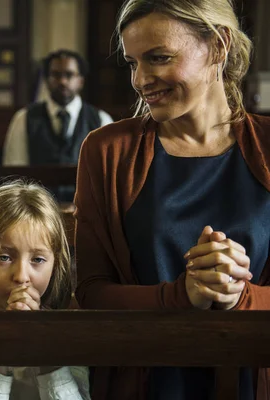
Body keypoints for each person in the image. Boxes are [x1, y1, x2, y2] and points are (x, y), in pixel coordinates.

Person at [74, 0, 270, 398]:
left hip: (255, 378)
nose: (141, 79)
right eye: (132, 63)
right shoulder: (107, 150)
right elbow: (92, 291)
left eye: (158, 58)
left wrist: (239, 296)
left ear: (218, 45)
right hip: (146, 380)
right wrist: (181, 296)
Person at [0, 180, 89, 400]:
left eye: (38, 259)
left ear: (55, 264)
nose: (22, 276)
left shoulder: (71, 336)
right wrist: (1, 351)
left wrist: (44, 351)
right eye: (4, 257)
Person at [2, 49, 113, 202]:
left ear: (80, 80)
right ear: (47, 79)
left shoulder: (101, 120)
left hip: (87, 211)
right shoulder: (24, 118)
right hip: (37, 210)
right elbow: (14, 175)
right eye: (56, 75)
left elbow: (107, 178)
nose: (62, 81)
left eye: (69, 75)